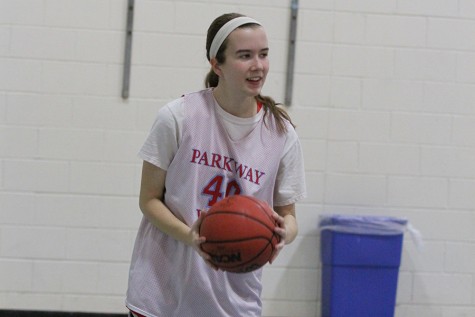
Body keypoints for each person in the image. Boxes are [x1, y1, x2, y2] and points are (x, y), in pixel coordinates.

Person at [125, 12, 306, 317]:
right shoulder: (178, 116)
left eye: (263, 55)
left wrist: (280, 234)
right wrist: (191, 237)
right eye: (244, 55)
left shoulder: (281, 134)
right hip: (163, 292)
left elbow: (289, 217)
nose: (258, 66)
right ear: (216, 63)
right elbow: (149, 199)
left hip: (235, 298)